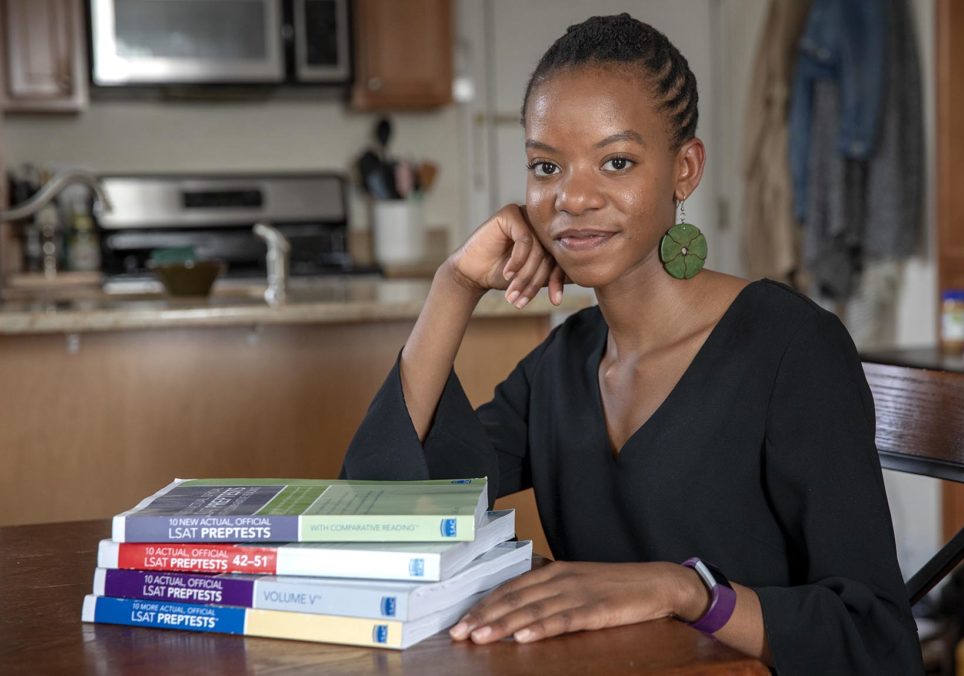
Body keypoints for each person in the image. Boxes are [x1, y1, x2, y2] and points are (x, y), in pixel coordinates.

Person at [342, 13, 923, 675]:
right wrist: (455, 286)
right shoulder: (559, 369)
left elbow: (876, 638)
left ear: (685, 169)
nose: (574, 197)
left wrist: (685, 592)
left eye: (616, 161)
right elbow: (374, 518)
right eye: (545, 166)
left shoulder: (793, 350)